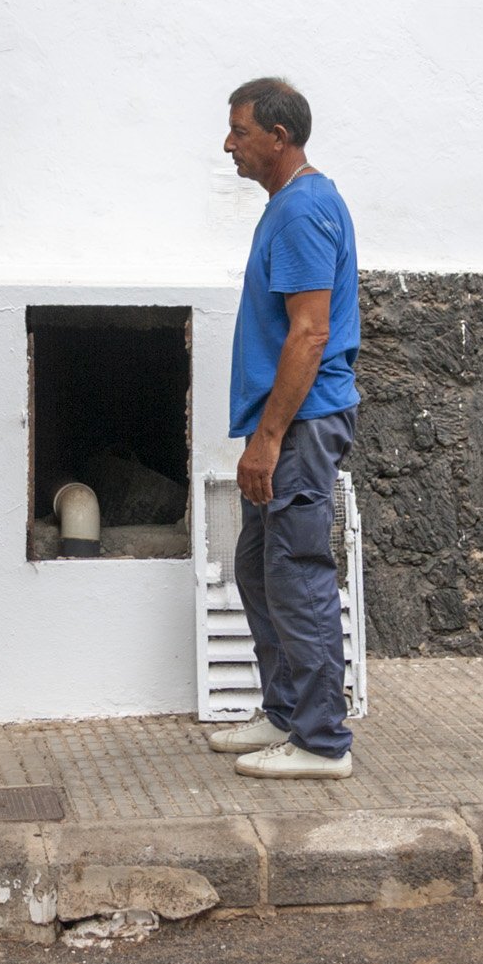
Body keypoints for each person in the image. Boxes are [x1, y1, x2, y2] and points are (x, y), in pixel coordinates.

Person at [208, 78, 362, 780]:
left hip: (299, 424)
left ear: (279, 135)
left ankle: (322, 740)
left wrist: (268, 437)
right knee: (257, 567)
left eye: (240, 131)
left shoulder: (302, 210)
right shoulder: (290, 205)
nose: (228, 143)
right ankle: (285, 710)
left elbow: (310, 332)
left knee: (296, 574)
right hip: (284, 422)